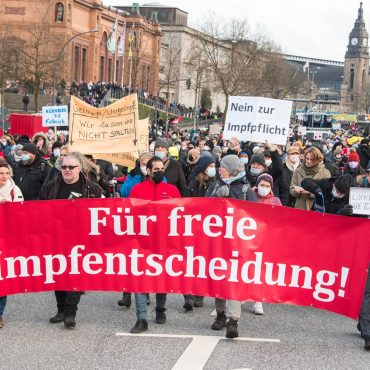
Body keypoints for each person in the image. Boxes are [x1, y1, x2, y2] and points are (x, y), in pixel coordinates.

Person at [39, 153, 102, 328]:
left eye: (71, 167)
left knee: (74, 275)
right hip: (56, 237)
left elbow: (102, 211)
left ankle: (70, 313)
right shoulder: (50, 186)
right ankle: (60, 310)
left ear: (79, 168)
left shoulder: (91, 188)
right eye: (64, 167)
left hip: (80, 239)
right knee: (58, 273)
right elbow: (38, 208)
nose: (67, 170)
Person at [206, 155, 257, 338]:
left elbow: (255, 216)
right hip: (218, 240)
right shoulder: (216, 186)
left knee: (233, 280)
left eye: (222, 167)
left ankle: (233, 320)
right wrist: (215, 197)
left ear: (232, 168)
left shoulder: (246, 190)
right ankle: (220, 315)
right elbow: (203, 208)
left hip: (237, 243)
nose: (219, 169)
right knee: (219, 277)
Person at [129, 156, 181, 334]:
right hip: (142, 241)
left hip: (165, 241)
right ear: (148, 171)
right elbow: (130, 214)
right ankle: (141, 318)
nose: (159, 172)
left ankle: (160, 309)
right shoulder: (137, 189)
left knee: (161, 277)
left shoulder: (172, 190)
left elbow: (180, 216)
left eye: (162, 169)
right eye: (156, 169)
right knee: (140, 279)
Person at [117, 153, 152, 308]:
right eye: (142, 164)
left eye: (147, 164)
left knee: (146, 260)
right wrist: (136, 177)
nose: (144, 167)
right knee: (129, 258)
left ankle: (146, 292)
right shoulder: (133, 176)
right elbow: (125, 192)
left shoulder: (160, 178)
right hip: (132, 221)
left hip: (150, 223)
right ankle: (126, 294)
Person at [183, 154, 217, 311]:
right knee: (191, 260)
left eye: (214, 166)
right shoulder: (193, 183)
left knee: (203, 262)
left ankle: (199, 294)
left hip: (209, 227)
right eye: (210, 166)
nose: (213, 169)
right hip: (193, 226)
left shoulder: (216, 184)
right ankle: (189, 294)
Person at [251, 173, 282, 315]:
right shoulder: (249, 196)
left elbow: (280, 221)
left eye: (267, 186)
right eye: (262, 185)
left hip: (266, 240)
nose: (264, 188)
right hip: (249, 237)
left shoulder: (275, 201)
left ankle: (258, 300)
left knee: (261, 270)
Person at [0, 161, 24, 328]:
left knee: (2, 279)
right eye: (1, 173)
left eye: (7, 173)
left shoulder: (15, 190)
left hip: (6, 240)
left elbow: (22, 214)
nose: (4, 177)